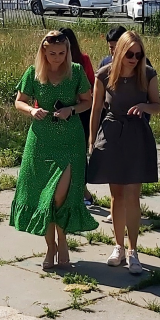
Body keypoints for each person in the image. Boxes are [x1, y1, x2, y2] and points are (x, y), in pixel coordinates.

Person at [12, 31, 97, 270]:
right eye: (52, 54)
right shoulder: (34, 73)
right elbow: (19, 100)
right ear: (43, 52)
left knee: (61, 194)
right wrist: (31, 110)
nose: (57, 58)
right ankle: (51, 246)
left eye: (61, 53)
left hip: (70, 139)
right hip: (41, 140)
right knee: (45, 197)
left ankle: (63, 240)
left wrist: (71, 109)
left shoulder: (76, 72)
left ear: (68, 52)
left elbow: (87, 101)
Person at [87, 31, 160, 275]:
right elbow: (96, 108)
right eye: (129, 54)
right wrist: (91, 140)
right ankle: (118, 246)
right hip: (111, 133)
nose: (134, 58)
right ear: (119, 51)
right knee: (116, 194)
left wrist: (144, 106)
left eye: (139, 55)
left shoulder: (147, 74)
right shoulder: (104, 74)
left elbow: (157, 105)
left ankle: (133, 250)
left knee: (132, 195)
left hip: (137, 135)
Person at [58, 28, 96, 206]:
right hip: (59, 113)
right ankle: (77, 192)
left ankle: (82, 190)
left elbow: (90, 87)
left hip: (80, 111)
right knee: (61, 154)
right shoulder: (52, 63)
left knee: (78, 154)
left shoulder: (83, 60)